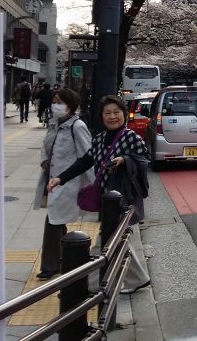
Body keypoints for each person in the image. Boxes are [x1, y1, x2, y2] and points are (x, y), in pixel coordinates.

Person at [48, 95, 151, 294]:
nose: (112, 117)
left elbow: (144, 160)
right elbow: (85, 162)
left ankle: (89, 285)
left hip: (123, 198)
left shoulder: (131, 137)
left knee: (105, 243)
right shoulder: (99, 139)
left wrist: (125, 160)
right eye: (107, 113)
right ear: (102, 117)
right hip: (106, 199)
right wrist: (60, 178)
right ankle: (138, 278)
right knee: (116, 241)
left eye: (116, 112)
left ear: (124, 114)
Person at [33, 89, 93, 280]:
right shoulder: (55, 123)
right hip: (52, 178)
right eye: (54, 101)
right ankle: (62, 258)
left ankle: (49, 265)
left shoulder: (78, 126)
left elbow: (87, 156)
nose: (55, 105)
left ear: (70, 105)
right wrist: (44, 159)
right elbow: (45, 145)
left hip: (68, 182)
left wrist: (93, 185)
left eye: (60, 102)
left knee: (53, 220)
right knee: (57, 220)